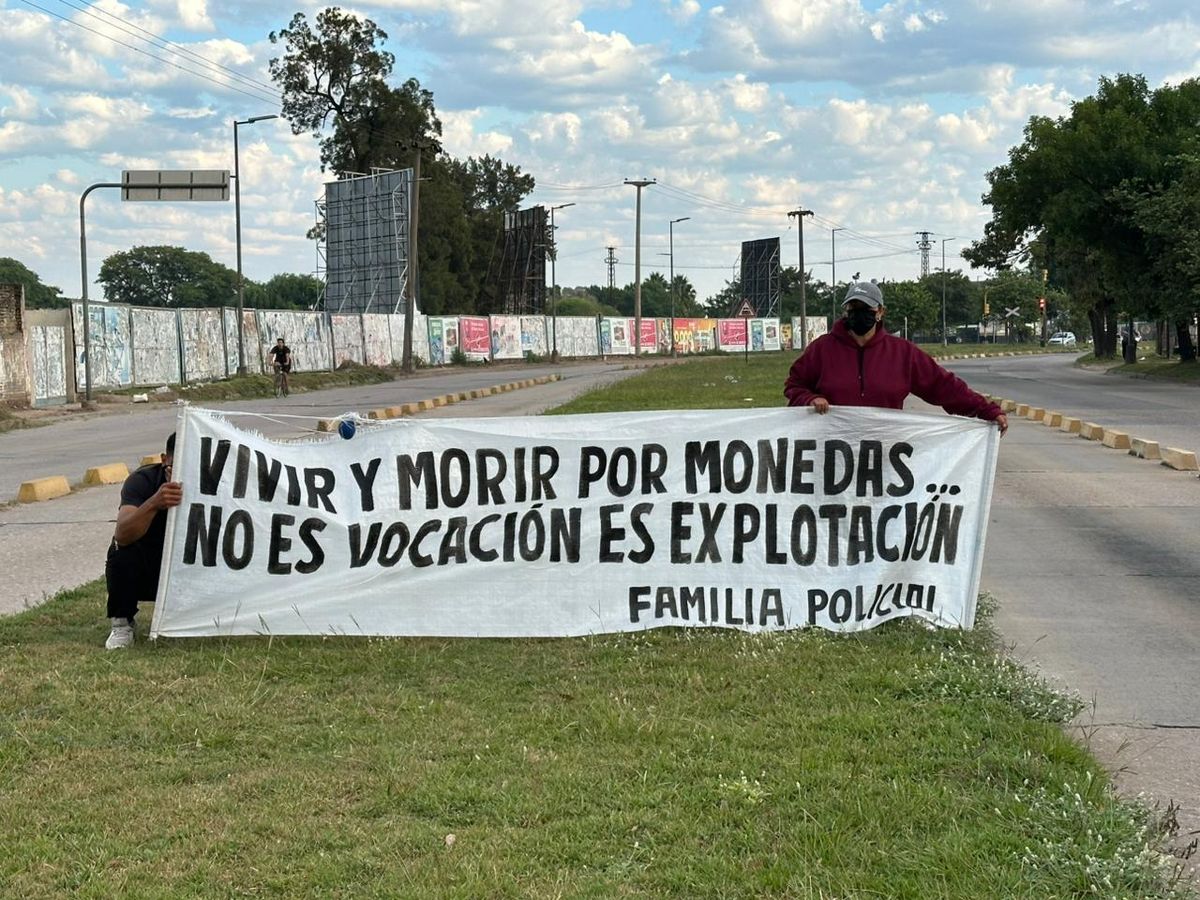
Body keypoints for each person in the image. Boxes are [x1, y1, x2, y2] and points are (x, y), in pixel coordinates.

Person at [784, 281, 1008, 435]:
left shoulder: (903, 353)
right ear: (846, 311)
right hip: (831, 455)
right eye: (853, 308)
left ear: (880, 312)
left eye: (867, 308)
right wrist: (810, 399)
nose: (859, 313)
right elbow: (795, 386)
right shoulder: (822, 349)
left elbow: (944, 387)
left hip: (886, 455)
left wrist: (986, 411)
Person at [104, 433, 183, 649]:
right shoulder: (143, 481)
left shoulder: (217, 484)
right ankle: (122, 621)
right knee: (121, 550)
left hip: (192, 567)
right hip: (152, 566)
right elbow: (123, 533)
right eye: (178, 465)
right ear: (164, 460)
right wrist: (154, 503)